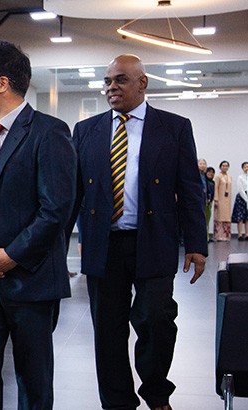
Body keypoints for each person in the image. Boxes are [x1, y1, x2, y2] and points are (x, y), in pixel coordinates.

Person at [69, 54, 207, 410]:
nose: (111, 88)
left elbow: (190, 188)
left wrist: (196, 243)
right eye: (107, 82)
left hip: (154, 241)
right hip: (104, 245)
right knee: (108, 330)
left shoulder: (174, 127)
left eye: (120, 80)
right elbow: (73, 194)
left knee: (156, 320)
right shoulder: (87, 130)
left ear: (142, 83)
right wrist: (56, 245)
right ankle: (117, 402)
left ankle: (157, 393)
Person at [0, 40, 76, 410]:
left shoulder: (49, 132)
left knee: (33, 379)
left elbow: (56, 210)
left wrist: (11, 255)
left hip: (31, 279)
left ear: (2, 82)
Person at [214, 160, 232, 241]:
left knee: (227, 218)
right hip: (220, 199)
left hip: (227, 201)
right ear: (220, 167)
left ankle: (226, 236)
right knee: (219, 217)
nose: (225, 167)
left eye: (226, 166)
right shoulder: (218, 176)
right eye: (223, 166)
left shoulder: (229, 177)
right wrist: (216, 199)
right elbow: (216, 188)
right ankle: (219, 236)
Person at [198, 159, 213, 241]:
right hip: (197, 198)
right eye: (200, 163)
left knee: (205, 218)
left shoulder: (206, 176)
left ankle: (205, 236)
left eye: (204, 163)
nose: (202, 165)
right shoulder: (195, 175)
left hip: (205, 198)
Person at [205, 167, 216, 240]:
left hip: (209, 203)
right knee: (204, 220)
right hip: (204, 203)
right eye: (209, 172)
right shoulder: (203, 181)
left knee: (207, 220)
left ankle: (207, 237)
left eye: (212, 172)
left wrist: (211, 200)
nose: (210, 174)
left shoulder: (213, 182)